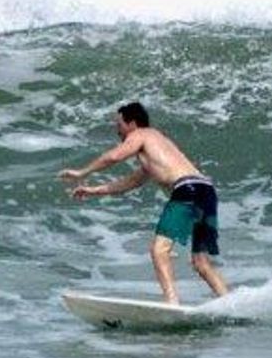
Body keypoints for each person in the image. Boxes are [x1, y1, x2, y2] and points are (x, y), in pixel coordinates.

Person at [59, 101, 229, 305]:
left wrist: (81, 172)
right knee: (201, 263)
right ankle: (230, 303)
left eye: (119, 125)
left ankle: (171, 303)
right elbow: (129, 183)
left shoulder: (141, 134)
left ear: (132, 123)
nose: (117, 131)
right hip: (206, 190)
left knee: (159, 250)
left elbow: (114, 156)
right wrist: (92, 190)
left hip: (188, 189)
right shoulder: (156, 147)